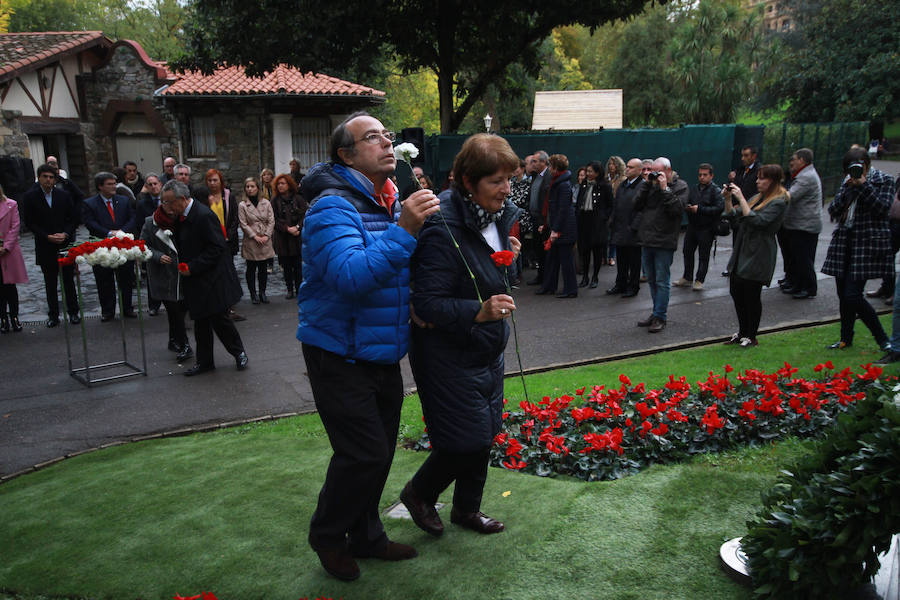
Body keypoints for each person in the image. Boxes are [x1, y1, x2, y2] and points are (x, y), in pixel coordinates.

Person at [297, 111, 440, 581]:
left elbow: (399, 269)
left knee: (377, 451)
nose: (386, 143)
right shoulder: (331, 207)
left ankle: (367, 536)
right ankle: (327, 535)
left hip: (380, 351)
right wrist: (405, 230)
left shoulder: (388, 199)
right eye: (372, 137)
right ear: (347, 154)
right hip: (338, 352)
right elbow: (352, 277)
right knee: (364, 454)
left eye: (387, 135)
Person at [400, 133, 520, 542]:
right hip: (447, 352)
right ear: (468, 182)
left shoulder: (495, 215)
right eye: (496, 181)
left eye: (509, 179)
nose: (506, 190)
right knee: (463, 439)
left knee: (483, 434)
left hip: (485, 348)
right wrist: (477, 310)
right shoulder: (441, 226)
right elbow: (428, 303)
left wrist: (510, 261)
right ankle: (419, 493)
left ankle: (467, 509)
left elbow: (497, 280)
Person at [161, 180, 248, 376]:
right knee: (200, 322)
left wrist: (192, 267)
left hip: (212, 278)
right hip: (195, 279)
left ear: (182, 199)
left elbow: (217, 248)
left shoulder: (203, 215)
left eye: (168, 202)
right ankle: (205, 361)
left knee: (220, 320)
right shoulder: (180, 216)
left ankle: (239, 353)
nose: (166, 207)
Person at [821, 148, 895, 351]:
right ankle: (846, 338)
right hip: (844, 242)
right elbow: (833, 211)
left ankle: (882, 339)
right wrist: (848, 189)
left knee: (853, 295)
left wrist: (864, 186)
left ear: (866, 164)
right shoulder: (847, 182)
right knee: (843, 296)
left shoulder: (884, 180)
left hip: (867, 244)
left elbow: (882, 209)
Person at [722, 165, 790, 347]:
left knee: (751, 294)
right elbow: (733, 216)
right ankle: (742, 331)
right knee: (736, 291)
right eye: (758, 178)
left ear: (773, 181)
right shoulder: (757, 198)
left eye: (762, 178)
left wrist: (741, 198)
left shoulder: (778, 202)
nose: (758, 181)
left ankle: (751, 335)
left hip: (759, 251)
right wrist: (728, 199)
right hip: (743, 249)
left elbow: (758, 221)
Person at [22, 163, 80, 326]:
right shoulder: (30, 197)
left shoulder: (63, 195)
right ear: (39, 178)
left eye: (51, 177)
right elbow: (30, 222)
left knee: (68, 280)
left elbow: (73, 218)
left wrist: (66, 233)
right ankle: (53, 315)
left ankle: (73, 312)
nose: (48, 180)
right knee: (50, 282)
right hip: (45, 244)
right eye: (45, 177)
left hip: (64, 243)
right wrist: (46, 236)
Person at [633, 157, 685, 333]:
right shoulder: (649, 187)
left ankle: (660, 316)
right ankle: (656, 312)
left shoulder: (680, 187)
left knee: (662, 281)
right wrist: (647, 185)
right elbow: (636, 205)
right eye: (649, 171)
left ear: (668, 171)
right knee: (652, 280)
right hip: (647, 239)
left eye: (657, 172)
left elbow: (677, 211)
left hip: (664, 241)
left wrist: (665, 189)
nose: (652, 174)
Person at [140, 195, 192, 362]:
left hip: (182, 273)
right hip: (164, 275)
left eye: (172, 202)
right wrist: (157, 256)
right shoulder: (150, 222)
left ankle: (173, 340)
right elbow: (142, 245)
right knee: (174, 310)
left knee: (180, 309)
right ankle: (184, 344)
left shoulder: (183, 219)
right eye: (166, 202)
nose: (170, 206)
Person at [81, 171, 137, 321]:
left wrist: (122, 232)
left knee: (126, 278)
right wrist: (108, 232)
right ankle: (108, 310)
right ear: (100, 186)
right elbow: (90, 223)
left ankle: (127, 307)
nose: (114, 187)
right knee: (104, 280)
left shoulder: (124, 201)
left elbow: (132, 218)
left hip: (123, 245)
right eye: (110, 184)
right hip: (102, 247)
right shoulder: (90, 203)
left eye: (114, 183)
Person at [779, 148, 823, 300]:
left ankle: (809, 287)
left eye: (795, 158)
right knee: (797, 257)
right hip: (799, 224)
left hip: (804, 226)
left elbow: (790, 196)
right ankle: (798, 284)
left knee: (804, 258)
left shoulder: (806, 177)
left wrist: (774, 191)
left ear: (802, 161)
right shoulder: (805, 175)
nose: (793, 161)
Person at [673, 163, 724, 291]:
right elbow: (688, 201)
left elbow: (719, 208)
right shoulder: (694, 188)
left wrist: (700, 209)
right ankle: (687, 277)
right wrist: (688, 207)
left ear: (711, 176)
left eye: (705, 175)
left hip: (707, 228)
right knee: (687, 251)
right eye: (700, 175)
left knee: (703, 255)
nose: (702, 177)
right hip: (693, 225)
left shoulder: (716, 191)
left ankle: (699, 280)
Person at [536, 154, 577, 298]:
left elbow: (563, 209)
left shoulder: (562, 185)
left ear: (555, 167)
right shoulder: (558, 182)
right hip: (559, 227)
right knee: (552, 259)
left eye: (551, 166)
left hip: (564, 230)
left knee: (566, 261)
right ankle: (549, 286)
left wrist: (555, 229)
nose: (550, 169)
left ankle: (570, 289)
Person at [607, 158, 644, 298]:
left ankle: (633, 286)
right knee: (621, 259)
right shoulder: (623, 185)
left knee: (634, 261)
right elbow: (616, 204)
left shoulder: (643, 186)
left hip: (633, 231)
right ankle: (620, 284)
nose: (627, 169)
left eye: (631, 167)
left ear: (639, 170)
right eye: (627, 167)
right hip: (620, 228)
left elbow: (642, 210)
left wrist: (634, 226)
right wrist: (613, 221)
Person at [575, 161, 614, 289]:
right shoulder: (584, 184)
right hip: (584, 220)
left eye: (591, 171)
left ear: (597, 173)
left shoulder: (605, 186)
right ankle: (585, 276)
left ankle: (595, 276)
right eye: (587, 171)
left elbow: (610, 205)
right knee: (584, 251)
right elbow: (579, 199)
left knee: (597, 251)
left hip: (597, 223)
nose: (588, 173)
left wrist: (604, 218)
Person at [723, 145, 760, 277]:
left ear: (754, 156)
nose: (743, 158)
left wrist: (744, 204)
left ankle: (744, 267)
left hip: (749, 210)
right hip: (737, 212)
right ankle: (734, 266)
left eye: (746, 155)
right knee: (737, 239)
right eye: (742, 155)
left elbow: (755, 192)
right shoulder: (739, 171)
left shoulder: (758, 172)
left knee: (747, 241)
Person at [238, 177, 275, 304]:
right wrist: (255, 236)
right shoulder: (242, 205)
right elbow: (243, 224)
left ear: (257, 188)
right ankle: (253, 294)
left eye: (252, 186)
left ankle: (262, 292)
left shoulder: (266, 203)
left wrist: (266, 235)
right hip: (251, 240)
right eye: (247, 186)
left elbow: (271, 220)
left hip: (265, 238)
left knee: (263, 268)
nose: (250, 189)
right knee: (251, 268)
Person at [271, 173, 308, 299]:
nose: (280, 186)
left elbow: (305, 215)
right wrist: (287, 228)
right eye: (278, 184)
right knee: (286, 266)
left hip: (297, 238)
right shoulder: (275, 201)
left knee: (297, 265)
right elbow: (273, 219)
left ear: (289, 184)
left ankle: (299, 289)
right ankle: (289, 289)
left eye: (283, 183)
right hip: (283, 238)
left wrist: (297, 227)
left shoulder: (298, 199)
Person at [0, 184, 27, 333]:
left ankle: (15, 317)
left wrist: (6, 246)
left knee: (10, 286)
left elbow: (15, 227)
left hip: (9, 251)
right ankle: (3, 317)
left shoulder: (11, 204)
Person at [526, 150, 551, 286]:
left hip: (544, 221)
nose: (532, 164)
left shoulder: (549, 176)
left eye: (535, 161)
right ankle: (540, 276)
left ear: (543, 162)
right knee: (537, 249)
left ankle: (546, 278)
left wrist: (545, 221)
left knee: (544, 250)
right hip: (535, 218)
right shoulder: (535, 176)